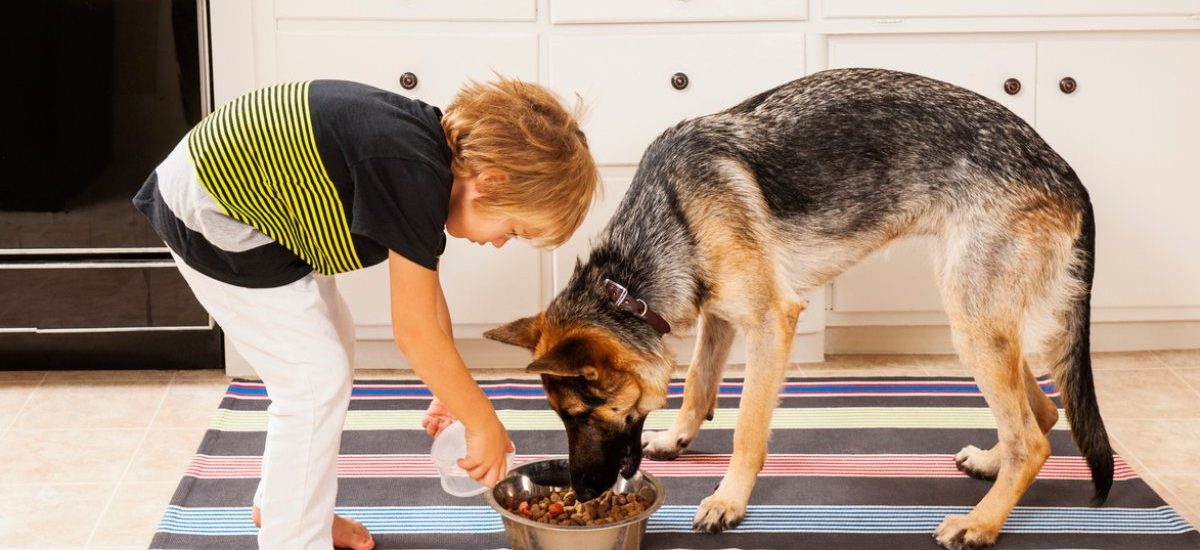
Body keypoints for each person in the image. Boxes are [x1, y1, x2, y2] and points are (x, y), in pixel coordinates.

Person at [134, 77, 599, 549]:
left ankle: (287, 506)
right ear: (491, 182)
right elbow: (414, 331)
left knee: (330, 352)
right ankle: (293, 537)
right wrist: (481, 421)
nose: (501, 242)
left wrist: (450, 393)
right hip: (214, 213)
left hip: (263, 218)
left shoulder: (426, 162)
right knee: (314, 381)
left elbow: (427, 294)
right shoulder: (413, 170)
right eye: (513, 230)